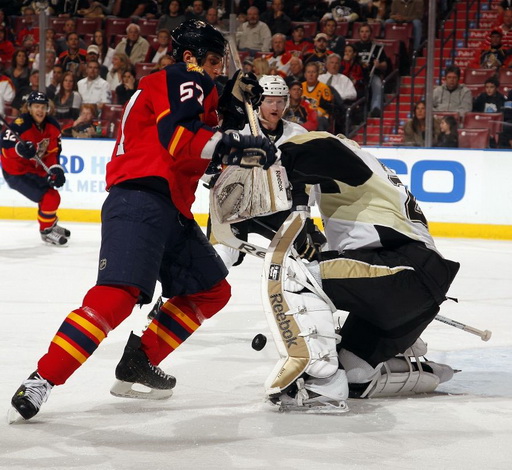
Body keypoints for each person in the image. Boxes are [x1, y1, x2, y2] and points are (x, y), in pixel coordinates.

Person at [8, 19, 275, 423]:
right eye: (215, 61)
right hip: (140, 200)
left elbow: (195, 141)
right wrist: (235, 143)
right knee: (116, 296)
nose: (220, 70)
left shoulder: (191, 87)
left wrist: (231, 113)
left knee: (211, 290)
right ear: (191, 58)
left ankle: (138, 361)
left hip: (170, 208)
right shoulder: (182, 76)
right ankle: (42, 379)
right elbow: (179, 139)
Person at [264, 132, 460, 409]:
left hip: (402, 269)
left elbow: (298, 151)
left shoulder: (344, 152)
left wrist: (245, 154)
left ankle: (321, 380)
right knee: (354, 372)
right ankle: (420, 369)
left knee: (297, 274)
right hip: (418, 286)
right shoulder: (373, 174)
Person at [211, 75, 308, 270]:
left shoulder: (298, 135)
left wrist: (301, 210)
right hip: (235, 208)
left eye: (280, 101)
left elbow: (305, 179)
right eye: (270, 101)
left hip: (278, 208)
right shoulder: (239, 130)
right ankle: (190, 296)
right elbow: (211, 164)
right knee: (220, 257)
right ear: (257, 103)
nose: (275, 107)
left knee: (309, 254)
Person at [1, 92, 68, 246]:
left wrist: (55, 169)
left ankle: (50, 223)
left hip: (36, 169)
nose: (40, 110)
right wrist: (20, 149)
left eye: (43, 107)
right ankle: (46, 231)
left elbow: (53, 152)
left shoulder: (52, 126)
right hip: (17, 172)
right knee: (51, 197)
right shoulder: (19, 124)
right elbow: (5, 148)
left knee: (51, 195)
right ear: (29, 108)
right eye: (36, 106)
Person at [354, 22, 389, 117]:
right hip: (357, 74)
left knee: (378, 84)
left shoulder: (377, 47)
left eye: (367, 31)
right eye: (362, 31)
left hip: (372, 74)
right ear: (359, 33)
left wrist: (378, 65)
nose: (364, 34)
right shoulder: (354, 47)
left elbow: (385, 64)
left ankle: (375, 108)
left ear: (370, 33)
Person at [302, 61, 333, 131]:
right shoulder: (300, 87)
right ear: (305, 74)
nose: (311, 75)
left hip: (320, 118)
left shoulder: (324, 88)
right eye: (308, 72)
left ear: (318, 74)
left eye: (313, 72)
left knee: (317, 120)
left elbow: (328, 108)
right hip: (304, 116)